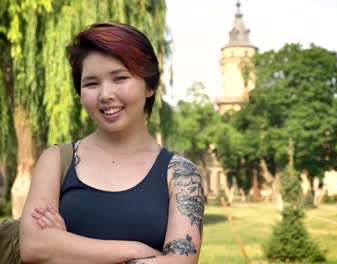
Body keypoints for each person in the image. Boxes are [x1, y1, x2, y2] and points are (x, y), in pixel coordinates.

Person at [20, 22, 204, 264]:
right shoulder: (56, 160)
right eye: (91, 83)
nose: (105, 94)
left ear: (150, 85)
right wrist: (137, 250)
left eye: (120, 78)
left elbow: (180, 262)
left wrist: (66, 248)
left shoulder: (181, 175)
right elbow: (34, 247)